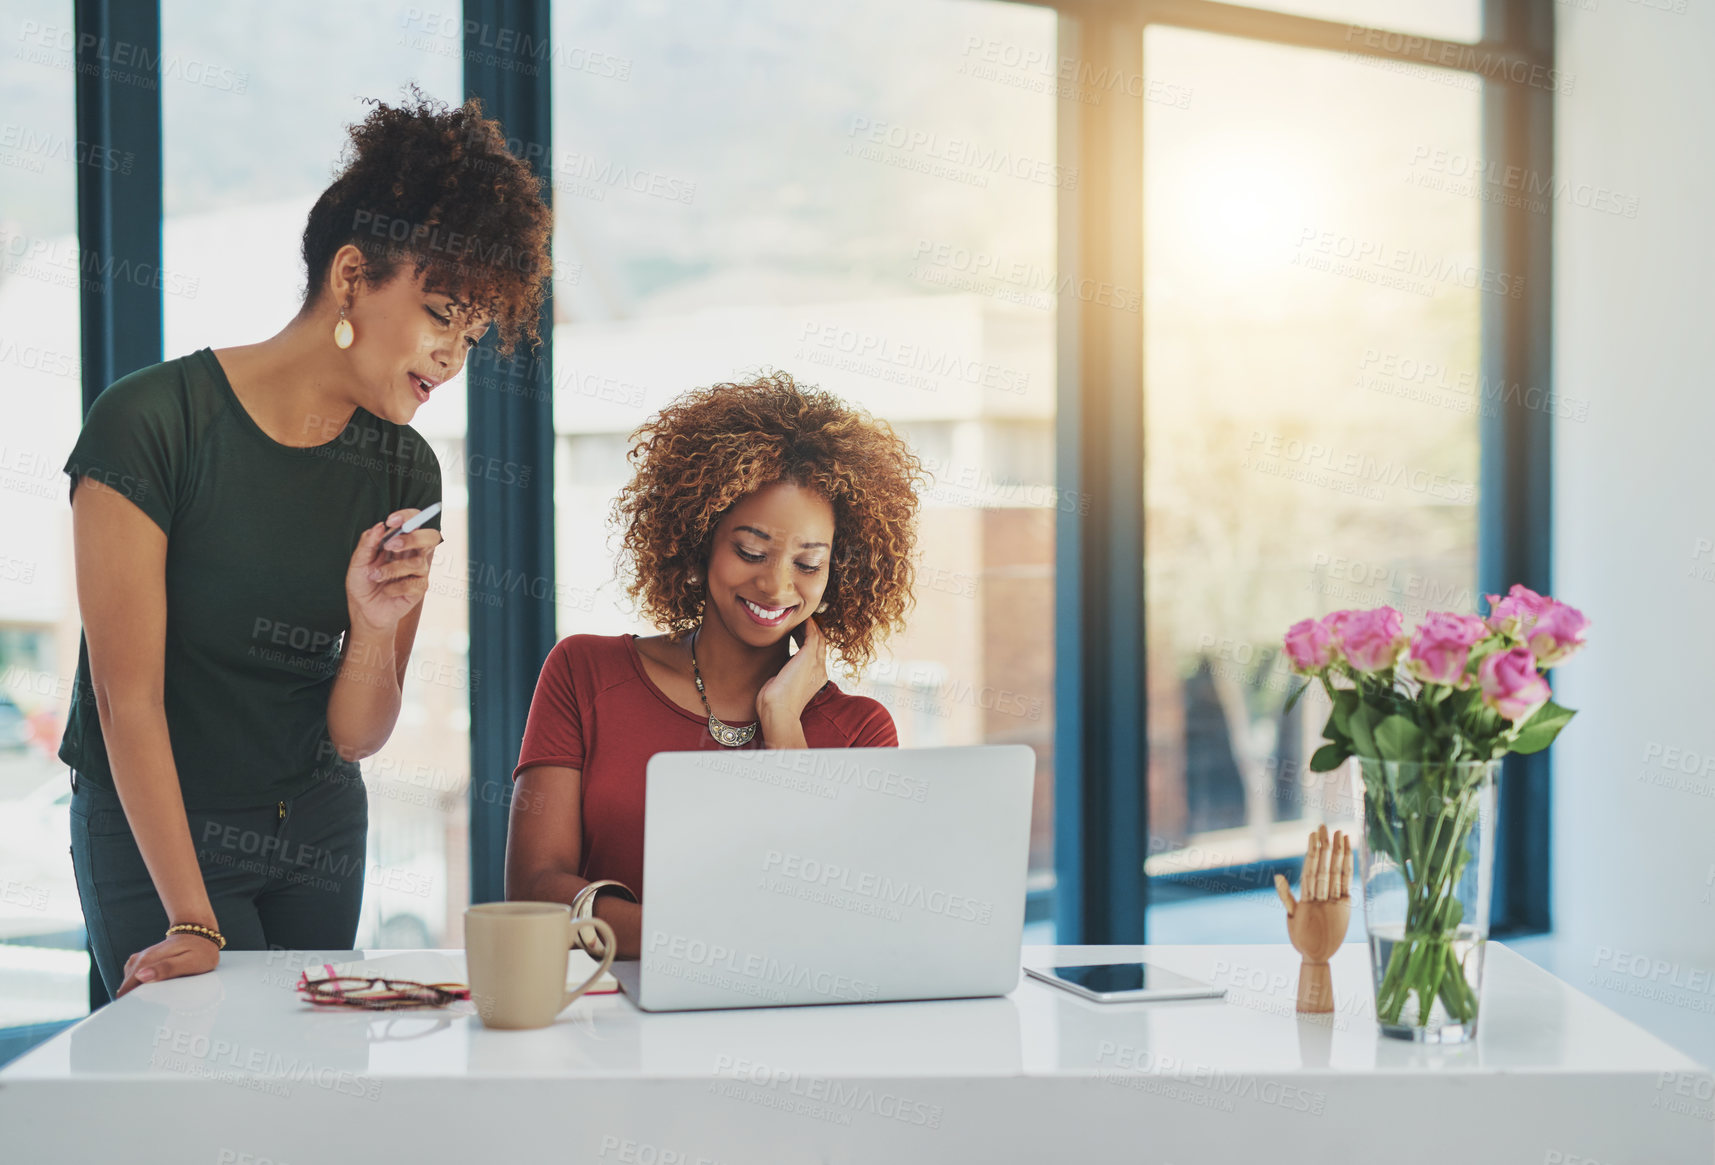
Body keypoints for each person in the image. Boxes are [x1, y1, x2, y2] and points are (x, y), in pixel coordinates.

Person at [62, 84, 551, 996]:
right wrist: (191, 916)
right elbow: (125, 701)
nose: (454, 356)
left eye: (476, 336)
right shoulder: (151, 423)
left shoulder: (407, 472)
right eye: (442, 313)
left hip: (322, 830)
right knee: (190, 1107)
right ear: (352, 275)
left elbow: (357, 735)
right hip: (155, 831)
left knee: (308, 1112)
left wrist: (370, 624)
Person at [505, 373, 925, 958]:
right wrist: (695, 939)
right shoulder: (585, 672)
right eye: (750, 552)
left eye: (808, 564)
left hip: (781, 1028)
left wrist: (782, 722)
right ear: (698, 543)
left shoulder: (860, 733)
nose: (776, 585)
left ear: (838, 576)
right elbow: (535, 890)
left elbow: (836, 924)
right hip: (607, 1027)